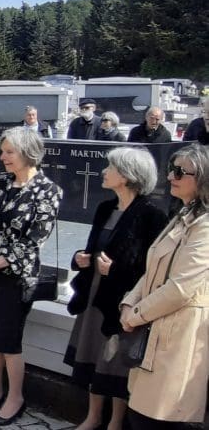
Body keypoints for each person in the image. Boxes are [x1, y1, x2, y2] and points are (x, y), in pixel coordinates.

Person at [0, 127, 62, 426]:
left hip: (15, 277)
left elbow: (34, 239)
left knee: (8, 340)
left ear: (28, 153)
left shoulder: (48, 191)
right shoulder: (0, 184)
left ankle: (15, 397)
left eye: (9, 152)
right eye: (2, 151)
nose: (3, 157)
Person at [64, 147, 167, 430]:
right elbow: (92, 248)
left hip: (121, 301)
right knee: (93, 357)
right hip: (93, 295)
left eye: (111, 168)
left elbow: (153, 269)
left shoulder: (152, 215)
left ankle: (115, 423)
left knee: (116, 363)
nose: (104, 172)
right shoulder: (105, 208)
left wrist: (117, 270)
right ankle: (93, 417)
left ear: (128, 175)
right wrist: (79, 259)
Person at [119, 143, 209, 428]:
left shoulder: (205, 226)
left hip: (177, 337)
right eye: (172, 169)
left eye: (181, 172)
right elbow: (154, 267)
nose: (171, 176)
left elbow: (180, 288)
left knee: (158, 418)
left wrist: (136, 314)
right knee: (140, 413)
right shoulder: (184, 215)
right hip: (154, 330)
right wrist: (129, 302)